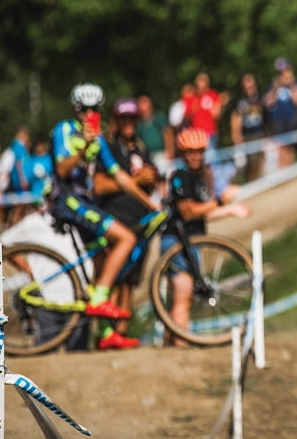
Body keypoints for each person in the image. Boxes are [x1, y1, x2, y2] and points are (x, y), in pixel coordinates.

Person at [47, 83, 160, 331]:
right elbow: (63, 169)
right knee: (126, 238)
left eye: (93, 109)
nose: (88, 114)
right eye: (84, 110)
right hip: (66, 200)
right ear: (76, 110)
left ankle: (107, 332)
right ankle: (98, 300)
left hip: (85, 203)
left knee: (104, 260)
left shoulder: (99, 138)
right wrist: (85, 146)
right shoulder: (65, 130)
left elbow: (120, 177)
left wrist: (151, 203)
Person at [163, 128, 251, 345]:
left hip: (193, 241)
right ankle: (180, 347)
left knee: (184, 298)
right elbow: (189, 211)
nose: (195, 156)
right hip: (176, 242)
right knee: (183, 294)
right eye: (190, 152)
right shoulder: (180, 177)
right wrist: (221, 201)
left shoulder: (199, 177)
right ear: (183, 153)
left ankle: (171, 345)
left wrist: (231, 210)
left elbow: (205, 210)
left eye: (199, 151)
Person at [93, 97, 160, 348]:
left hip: (140, 221)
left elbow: (150, 182)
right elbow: (99, 186)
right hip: (115, 220)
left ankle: (121, 332)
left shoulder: (142, 150)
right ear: (117, 121)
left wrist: (150, 182)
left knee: (130, 280)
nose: (128, 123)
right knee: (112, 278)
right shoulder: (108, 149)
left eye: (132, 118)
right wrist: (136, 179)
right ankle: (105, 333)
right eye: (123, 118)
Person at [265, 58, 297, 168]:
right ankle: (283, 170)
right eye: (282, 73)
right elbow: (268, 103)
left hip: (291, 120)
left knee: (290, 146)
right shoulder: (273, 86)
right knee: (281, 147)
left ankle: (289, 169)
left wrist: (292, 84)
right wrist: (275, 87)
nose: (284, 74)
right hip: (278, 121)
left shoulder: (295, 84)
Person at [230, 73, 268, 181]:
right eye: (245, 82)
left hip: (260, 133)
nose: (248, 85)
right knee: (251, 162)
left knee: (261, 158)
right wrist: (236, 136)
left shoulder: (260, 97)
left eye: (249, 81)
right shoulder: (241, 101)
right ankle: (252, 183)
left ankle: (262, 181)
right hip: (248, 135)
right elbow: (236, 118)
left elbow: (266, 115)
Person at [136, 94, 174, 178]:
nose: (142, 105)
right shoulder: (138, 122)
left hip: (161, 154)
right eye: (140, 102)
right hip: (146, 156)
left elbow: (167, 133)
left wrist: (170, 151)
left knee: (164, 176)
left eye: (144, 102)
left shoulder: (159, 117)